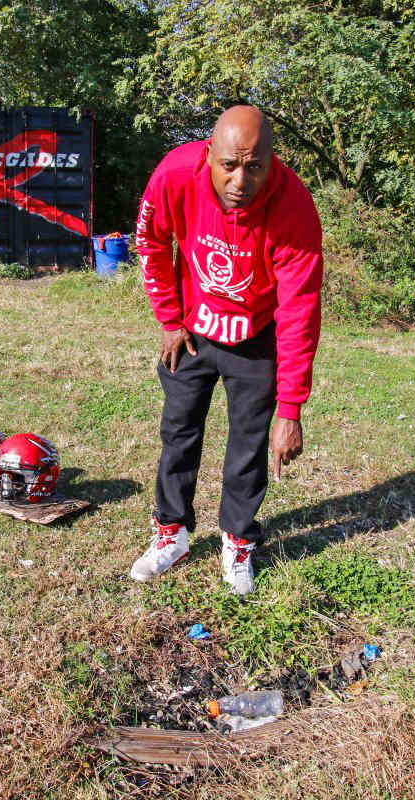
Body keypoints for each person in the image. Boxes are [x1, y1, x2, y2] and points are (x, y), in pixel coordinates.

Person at [128, 105, 324, 595]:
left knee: (247, 447)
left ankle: (237, 541)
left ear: (272, 161)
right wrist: (169, 319)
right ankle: (172, 533)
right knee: (178, 433)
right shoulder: (176, 173)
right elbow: (151, 241)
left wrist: (291, 408)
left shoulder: (293, 204)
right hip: (192, 334)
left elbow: (300, 310)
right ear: (208, 155)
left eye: (255, 167)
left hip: (255, 339)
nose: (241, 181)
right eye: (230, 165)